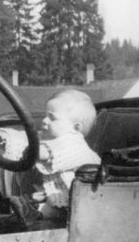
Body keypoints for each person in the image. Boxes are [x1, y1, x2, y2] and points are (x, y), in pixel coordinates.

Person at [32, 89, 100, 219]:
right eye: (45, 115)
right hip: (55, 201)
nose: (44, 120)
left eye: (52, 117)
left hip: (75, 209)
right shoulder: (52, 140)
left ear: (76, 128)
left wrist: (17, 144)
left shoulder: (74, 143)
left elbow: (43, 153)